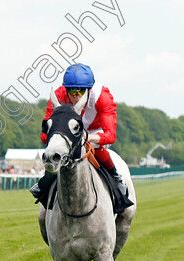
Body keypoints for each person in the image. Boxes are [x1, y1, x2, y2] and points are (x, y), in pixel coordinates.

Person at [31, 63, 127, 201]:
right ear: (66, 90)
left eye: (81, 92)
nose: (76, 96)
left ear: (89, 89)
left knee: (95, 147)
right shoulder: (58, 96)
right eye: (72, 91)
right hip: (69, 132)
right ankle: (46, 182)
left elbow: (110, 136)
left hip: (95, 131)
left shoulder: (102, 97)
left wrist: (87, 137)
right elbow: (45, 133)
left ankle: (115, 177)